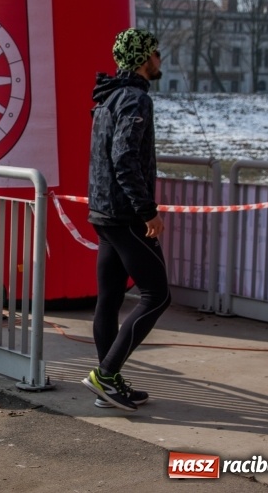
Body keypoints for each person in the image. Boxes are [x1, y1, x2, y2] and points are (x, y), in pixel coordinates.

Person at [81, 27, 172, 411]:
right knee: (157, 295)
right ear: (144, 58)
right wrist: (146, 210)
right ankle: (105, 375)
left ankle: (108, 383)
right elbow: (123, 158)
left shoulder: (108, 97)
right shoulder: (135, 99)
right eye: (156, 53)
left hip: (102, 211)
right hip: (124, 215)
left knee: (110, 299)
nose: (160, 59)